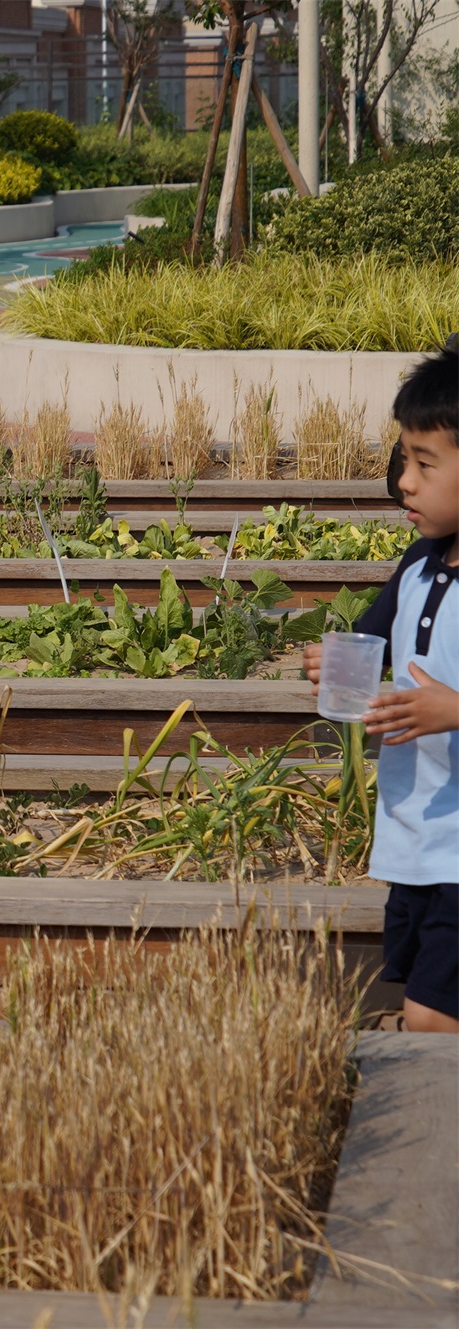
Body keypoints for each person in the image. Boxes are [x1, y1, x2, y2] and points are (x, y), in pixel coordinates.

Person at [304, 340, 459, 1034]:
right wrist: (332, 665)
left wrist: (451, 709)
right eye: (405, 459)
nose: (405, 480)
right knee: (427, 1006)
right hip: (412, 838)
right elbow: (370, 646)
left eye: (426, 464)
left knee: (432, 1018)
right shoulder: (419, 566)